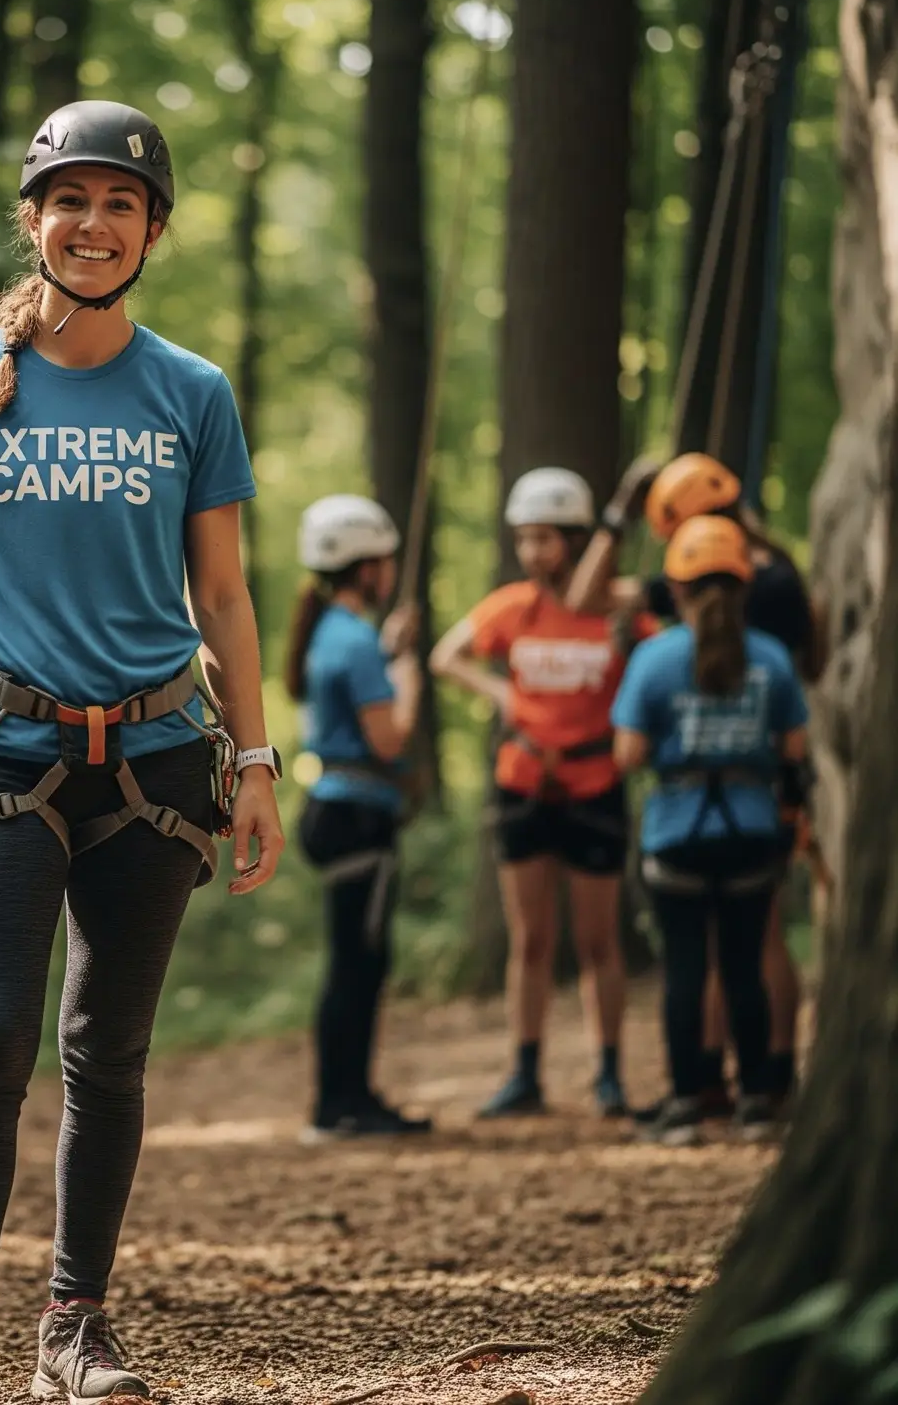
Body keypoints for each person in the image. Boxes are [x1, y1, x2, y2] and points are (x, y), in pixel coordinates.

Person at [0, 100, 284, 1405]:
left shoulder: (192, 391)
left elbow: (224, 594)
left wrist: (256, 760)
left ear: (152, 230)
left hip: (157, 757)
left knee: (107, 1050)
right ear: (33, 219)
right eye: (71, 201)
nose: (92, 224)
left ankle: (76, 1322)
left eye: (120, 204)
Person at [572, 452, 817, 1115]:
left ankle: (698, 1086)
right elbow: (792, 740)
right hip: (756, 808)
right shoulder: (773, 606)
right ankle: (760, 1084)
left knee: (696, 962)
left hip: (683, 821)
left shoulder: (666, 650)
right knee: (747, 955)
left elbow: (628, 749)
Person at [431, 467, 646, 1120]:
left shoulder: (617, 612)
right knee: (530, 939)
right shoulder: (511, 607)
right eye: (524, 539)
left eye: (544, 539)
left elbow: (667, 662)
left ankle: (609, 1074)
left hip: (595, 784)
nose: (531, 552)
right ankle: (524, 1073)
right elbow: (446, 656)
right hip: (524, 783)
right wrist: (501, 692)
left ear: (577, 541)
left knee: (599, 939)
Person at [284, 495, 431, 1140]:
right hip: (357, 816)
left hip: (335, 808)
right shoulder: (357, 641)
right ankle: (341, 1105)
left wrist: (387, 651)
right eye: (385, 561)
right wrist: (409, 676)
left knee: (356, 961)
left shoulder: (332, 633)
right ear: (367, 567)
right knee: (358, 964)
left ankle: (349, 1098)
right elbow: (389, 739)